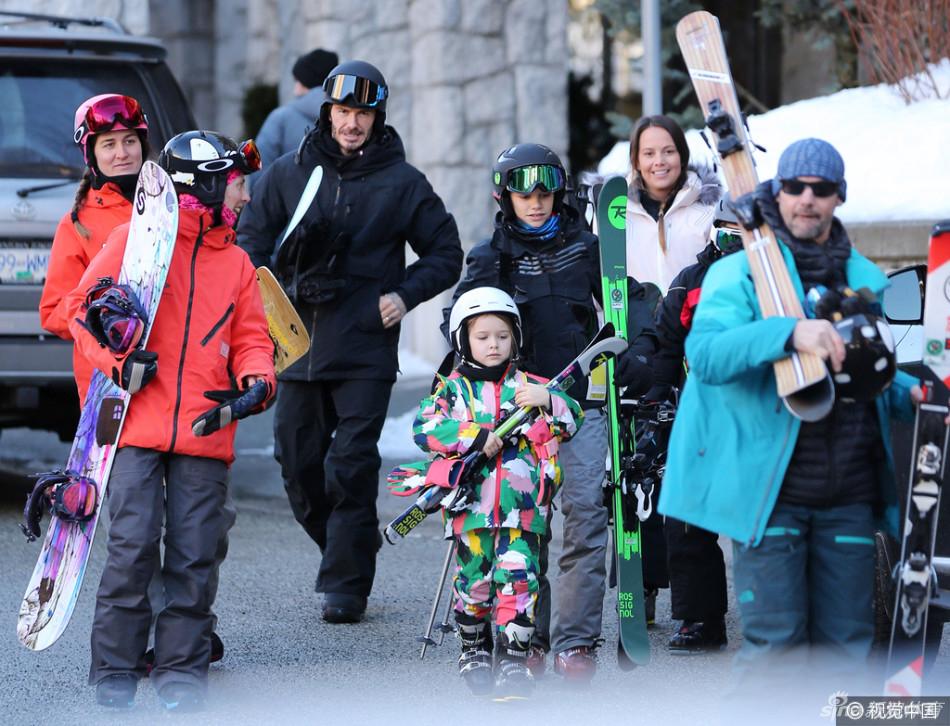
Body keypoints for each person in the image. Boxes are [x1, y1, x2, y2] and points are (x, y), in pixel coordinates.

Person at [659, 138, 917, 708]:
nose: (807, 199)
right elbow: (707, 355)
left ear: (837, 198)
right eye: (795, 186)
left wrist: (918, 393)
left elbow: (866, 372)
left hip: (849, 489)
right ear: (778, 192)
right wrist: (789, 333)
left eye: (821, 189)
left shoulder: (865, 278)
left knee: (846, 652)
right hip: (771, 491)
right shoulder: (741, 274)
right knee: (775, 651)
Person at [238, 59, 463, 624]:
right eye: (343, 111)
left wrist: (404, 296)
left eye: (363, 113)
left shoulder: (403, 182)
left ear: (377, 117)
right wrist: (270, 299)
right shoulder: (289, 174)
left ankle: (346, 582)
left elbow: (445, 253)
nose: (352, 123)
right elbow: (249, 244)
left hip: (365, 345)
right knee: (297, 463)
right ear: (327, 112)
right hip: (295, 346)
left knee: (351, 463)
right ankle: (349, 548)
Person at [65, 130, 276, 712]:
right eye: (237, 184)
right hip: (133, 425)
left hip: (207, 425)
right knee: (132, 546)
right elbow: (83, 314)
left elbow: (253, 337)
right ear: (202, 185)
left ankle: (181, 667)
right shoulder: (134, 240)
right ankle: (116, 665)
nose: (247, 197)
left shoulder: (235, 261)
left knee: (194, 550)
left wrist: (259, 381)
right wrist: (120, 361)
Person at [444, 144, 657, 682]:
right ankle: (527, 637)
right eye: (523, 194)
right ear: (504, 196)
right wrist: (459, 391)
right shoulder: (490, 257)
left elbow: (625, 304)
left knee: (586, 516)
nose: (535, 203)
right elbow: (465, 330)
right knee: (527, 526)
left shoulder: (589, 249)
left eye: (544, 192)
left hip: (579, 404)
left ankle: (575, 641)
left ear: (558, 193)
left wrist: (637, 348)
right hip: (517, 412)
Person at [38, 93, 228, 669]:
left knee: (201, 524)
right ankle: (141, 642)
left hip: (186, 386)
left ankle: (187, 631)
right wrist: (111, 314)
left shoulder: (178, 208)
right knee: (135, 526)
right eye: (108, 145)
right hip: (115, 392)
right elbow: (55, 309)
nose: (121, 154)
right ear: (91, 155)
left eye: (129, 142)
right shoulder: (80, 224)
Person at [415, 287, 583, 697]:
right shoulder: (453, 391)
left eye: (503, 336)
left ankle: (514, 659)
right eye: (483, 336)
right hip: (471, 511)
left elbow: (572, 418)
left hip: (522, 512)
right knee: (473, 584)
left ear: (516, 339)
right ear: (463, 340)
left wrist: (548, 400)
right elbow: (424, 428)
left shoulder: (529, 386)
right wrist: (475, 436)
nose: (494, 345)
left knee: (518, 582)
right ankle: (473, 647)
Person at [647, 201, 743, 654]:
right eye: (727, 234)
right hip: (698, 414)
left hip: (757, 418)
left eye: (747, 236)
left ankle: (783, 612)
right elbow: (664, 346)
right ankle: (701, 619)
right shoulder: (689, 282)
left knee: (764, 523)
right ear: (712, 233)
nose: (736, 245)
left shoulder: (777, 281)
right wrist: (652, 398)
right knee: (686, 518)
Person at [625, 114, 721, 295]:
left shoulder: (709, 210)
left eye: (669, 151)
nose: (659, 161)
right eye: (648, 153)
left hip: (690, 318)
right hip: (636, 321)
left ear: (682, 156)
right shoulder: (616, 213)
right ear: (636, 161)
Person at [250, 48, 338, 189]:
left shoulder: (280, 118)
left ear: (307, 82)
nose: (294, 89)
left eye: (297, 81)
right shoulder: (348, 118)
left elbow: (259, 169)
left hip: (289, 207)